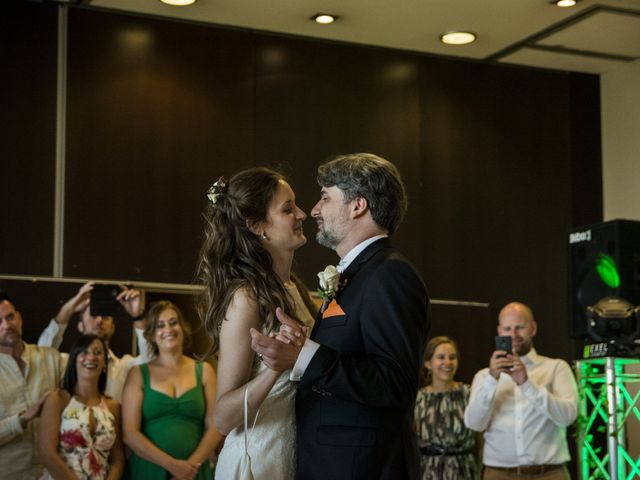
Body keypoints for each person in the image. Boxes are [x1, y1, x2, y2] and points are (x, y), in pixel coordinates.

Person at [251, 153, 431, 479]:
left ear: (357, 205)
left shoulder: (389, 274)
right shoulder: (360, 275)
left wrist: (304, 355)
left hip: (362, 469)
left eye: (324, 197)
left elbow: (396, 385)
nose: (315, 211)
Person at [195, 168, 316, 479]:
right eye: (287, 209)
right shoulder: (246, 298)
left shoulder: (296, 289)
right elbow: (222, 418)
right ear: (257, 226)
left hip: (293, 455)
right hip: (258, 461)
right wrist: (273, 370)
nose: (302, 214)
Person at [464, 302, 578, 480]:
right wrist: (492, 380)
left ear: (533, 328)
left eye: (520, 328)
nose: (513, 335)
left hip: (549, 474)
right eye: (507, 329)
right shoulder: (484, 376)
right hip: (499, 474)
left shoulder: (556, 367)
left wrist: (526, 384)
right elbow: (474, 424)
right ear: (499, 332)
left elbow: (567, 417)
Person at [122, 300, 221, 480]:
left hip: (195, 472)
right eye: (160, 325)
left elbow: (215, 426)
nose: (168, 329)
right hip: (149, 470)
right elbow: (130, 434)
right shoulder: (138, 374)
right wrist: (173, 466)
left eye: (173, 322)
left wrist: (189, 468)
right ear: (151, 335)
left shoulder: (204, 370)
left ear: (182, 327)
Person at [38, 282, 151, 402]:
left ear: (112, 328)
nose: (99, 321)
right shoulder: (65, 363)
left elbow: (150, 358)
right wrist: (68, 308)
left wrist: (137, 315)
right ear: (80, 326)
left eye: (106, 317)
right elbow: (42, 354)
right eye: (93, 315)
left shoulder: (124, 367)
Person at [39, 334, 124, 480]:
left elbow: (118, 461)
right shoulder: (58, 399)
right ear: (74, 359)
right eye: (84, 352)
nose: (91, 357)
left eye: (98, 353)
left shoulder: (113, 406)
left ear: (105, 363)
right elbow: (47, 454)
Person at [0, 291, 64, 480]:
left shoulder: (50, 357)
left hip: (53, 474)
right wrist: (23, 419)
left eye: (10, 317)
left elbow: (86, 371)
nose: (6, 325)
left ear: (19, 317)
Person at [414, 336, 479, 480]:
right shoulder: (418, 399)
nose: (447, 362)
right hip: (428, 472)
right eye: (441, 357)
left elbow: (481, 437)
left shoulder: (469, 393)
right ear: (428, 363)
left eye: (452, 357)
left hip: (464, 471)